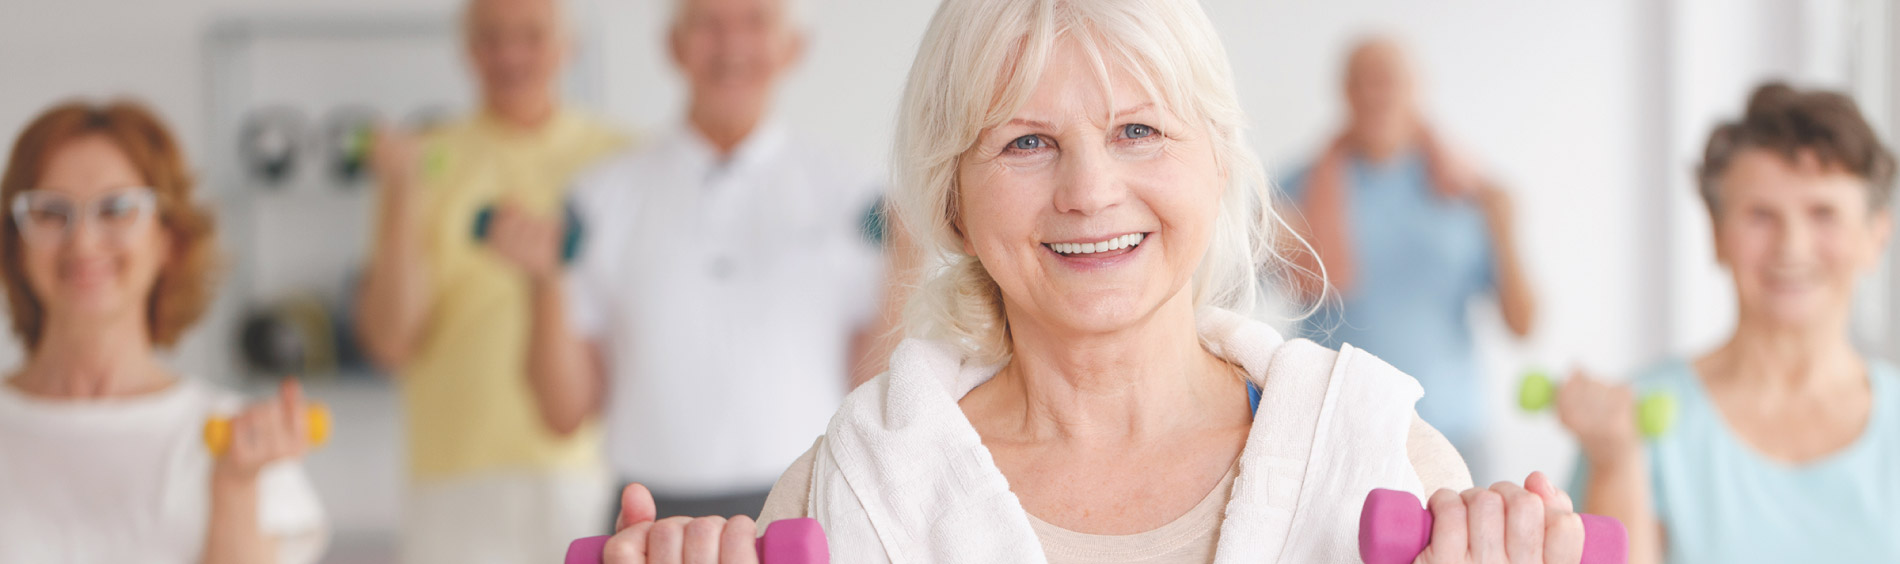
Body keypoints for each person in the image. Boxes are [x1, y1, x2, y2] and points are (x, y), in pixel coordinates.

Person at [589, 0, 1591, 562]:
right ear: (951, 201)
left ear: (1218, 165)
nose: (1088, 190)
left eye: (1138, 131)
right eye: (1026, 142)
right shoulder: (836, 496)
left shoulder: (1391, 466)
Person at [510, 0, 885, 522]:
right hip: (649, 518)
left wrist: (910, 258)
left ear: (793, 46)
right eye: (708, 23)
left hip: (808, 513)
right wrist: (543, 278)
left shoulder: (859, 199)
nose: (731, 46)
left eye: (755, 21)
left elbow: (882, 391)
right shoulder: (596, 202)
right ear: (673, 45)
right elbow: (562, 412)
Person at [1560, 83, 1900, 564]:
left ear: (1876, 236)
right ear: (1717, 234)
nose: (1792, 248)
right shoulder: (1630, 421)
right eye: (1761, 215)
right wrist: (1617, 463)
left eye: (1824, 213)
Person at [352, 0, 632, 560]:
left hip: (587, 468)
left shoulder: (619, 161)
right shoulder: (424, 160)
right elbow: (390, 341)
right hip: (452, 475)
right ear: (467, 48)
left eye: (531, 35)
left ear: (566, 45)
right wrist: (403, 193)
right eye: (491, 37)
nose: (509, 54)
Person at [0, 100, 327, 563]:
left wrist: (234, 485)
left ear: (169, 241)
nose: (83, 241)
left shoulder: (234, 440)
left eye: (115, 209)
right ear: (15, 244)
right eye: (51, 212)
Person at [1280, 37, 1537, 472]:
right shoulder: (1297, 191)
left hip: (1452, 436)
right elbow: (1238, 288)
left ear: (1417, 88)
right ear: (1345, 93)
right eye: (1363, 81)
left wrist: (1506, 231)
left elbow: (1523, 324)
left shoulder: (1468, 192)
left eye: (1390, 80)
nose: (1377, 93)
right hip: (1334, 439)